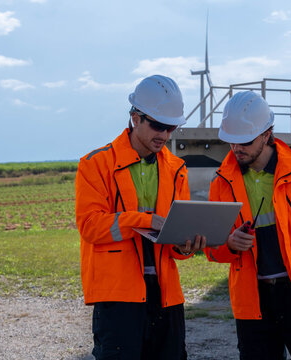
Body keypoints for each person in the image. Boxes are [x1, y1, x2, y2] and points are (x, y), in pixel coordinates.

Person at [205, 91, 291, 360]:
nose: (237, 148)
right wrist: (230, 244)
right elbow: (213, 250)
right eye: (232, 141)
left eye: (245, 140)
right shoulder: (221, 183)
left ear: (267, 134)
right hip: (252, 304)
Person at [75, 74, 206, 360]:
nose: (165, 135)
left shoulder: (176, 169)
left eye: (171, 127)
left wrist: (185, 247)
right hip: (117, 298)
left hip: (166, 295)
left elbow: (175, 245)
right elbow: (90, 227)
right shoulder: (95, 164)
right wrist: (144, 221)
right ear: (136, 118)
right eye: (158, 125)